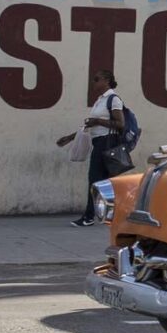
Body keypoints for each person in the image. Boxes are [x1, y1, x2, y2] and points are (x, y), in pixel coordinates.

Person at [56, 69, 126, 227]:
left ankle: (89, 217)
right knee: (106, 182)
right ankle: (113, 215)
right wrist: (70, 138)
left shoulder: (113, 99)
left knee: (95, 180)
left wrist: (98, 122)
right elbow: (90, 125)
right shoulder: (100, 100)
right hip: (99, 142)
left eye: (97, 79)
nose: (93, 82)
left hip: (107, 143)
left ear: (107, 81)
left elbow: (120, 124)